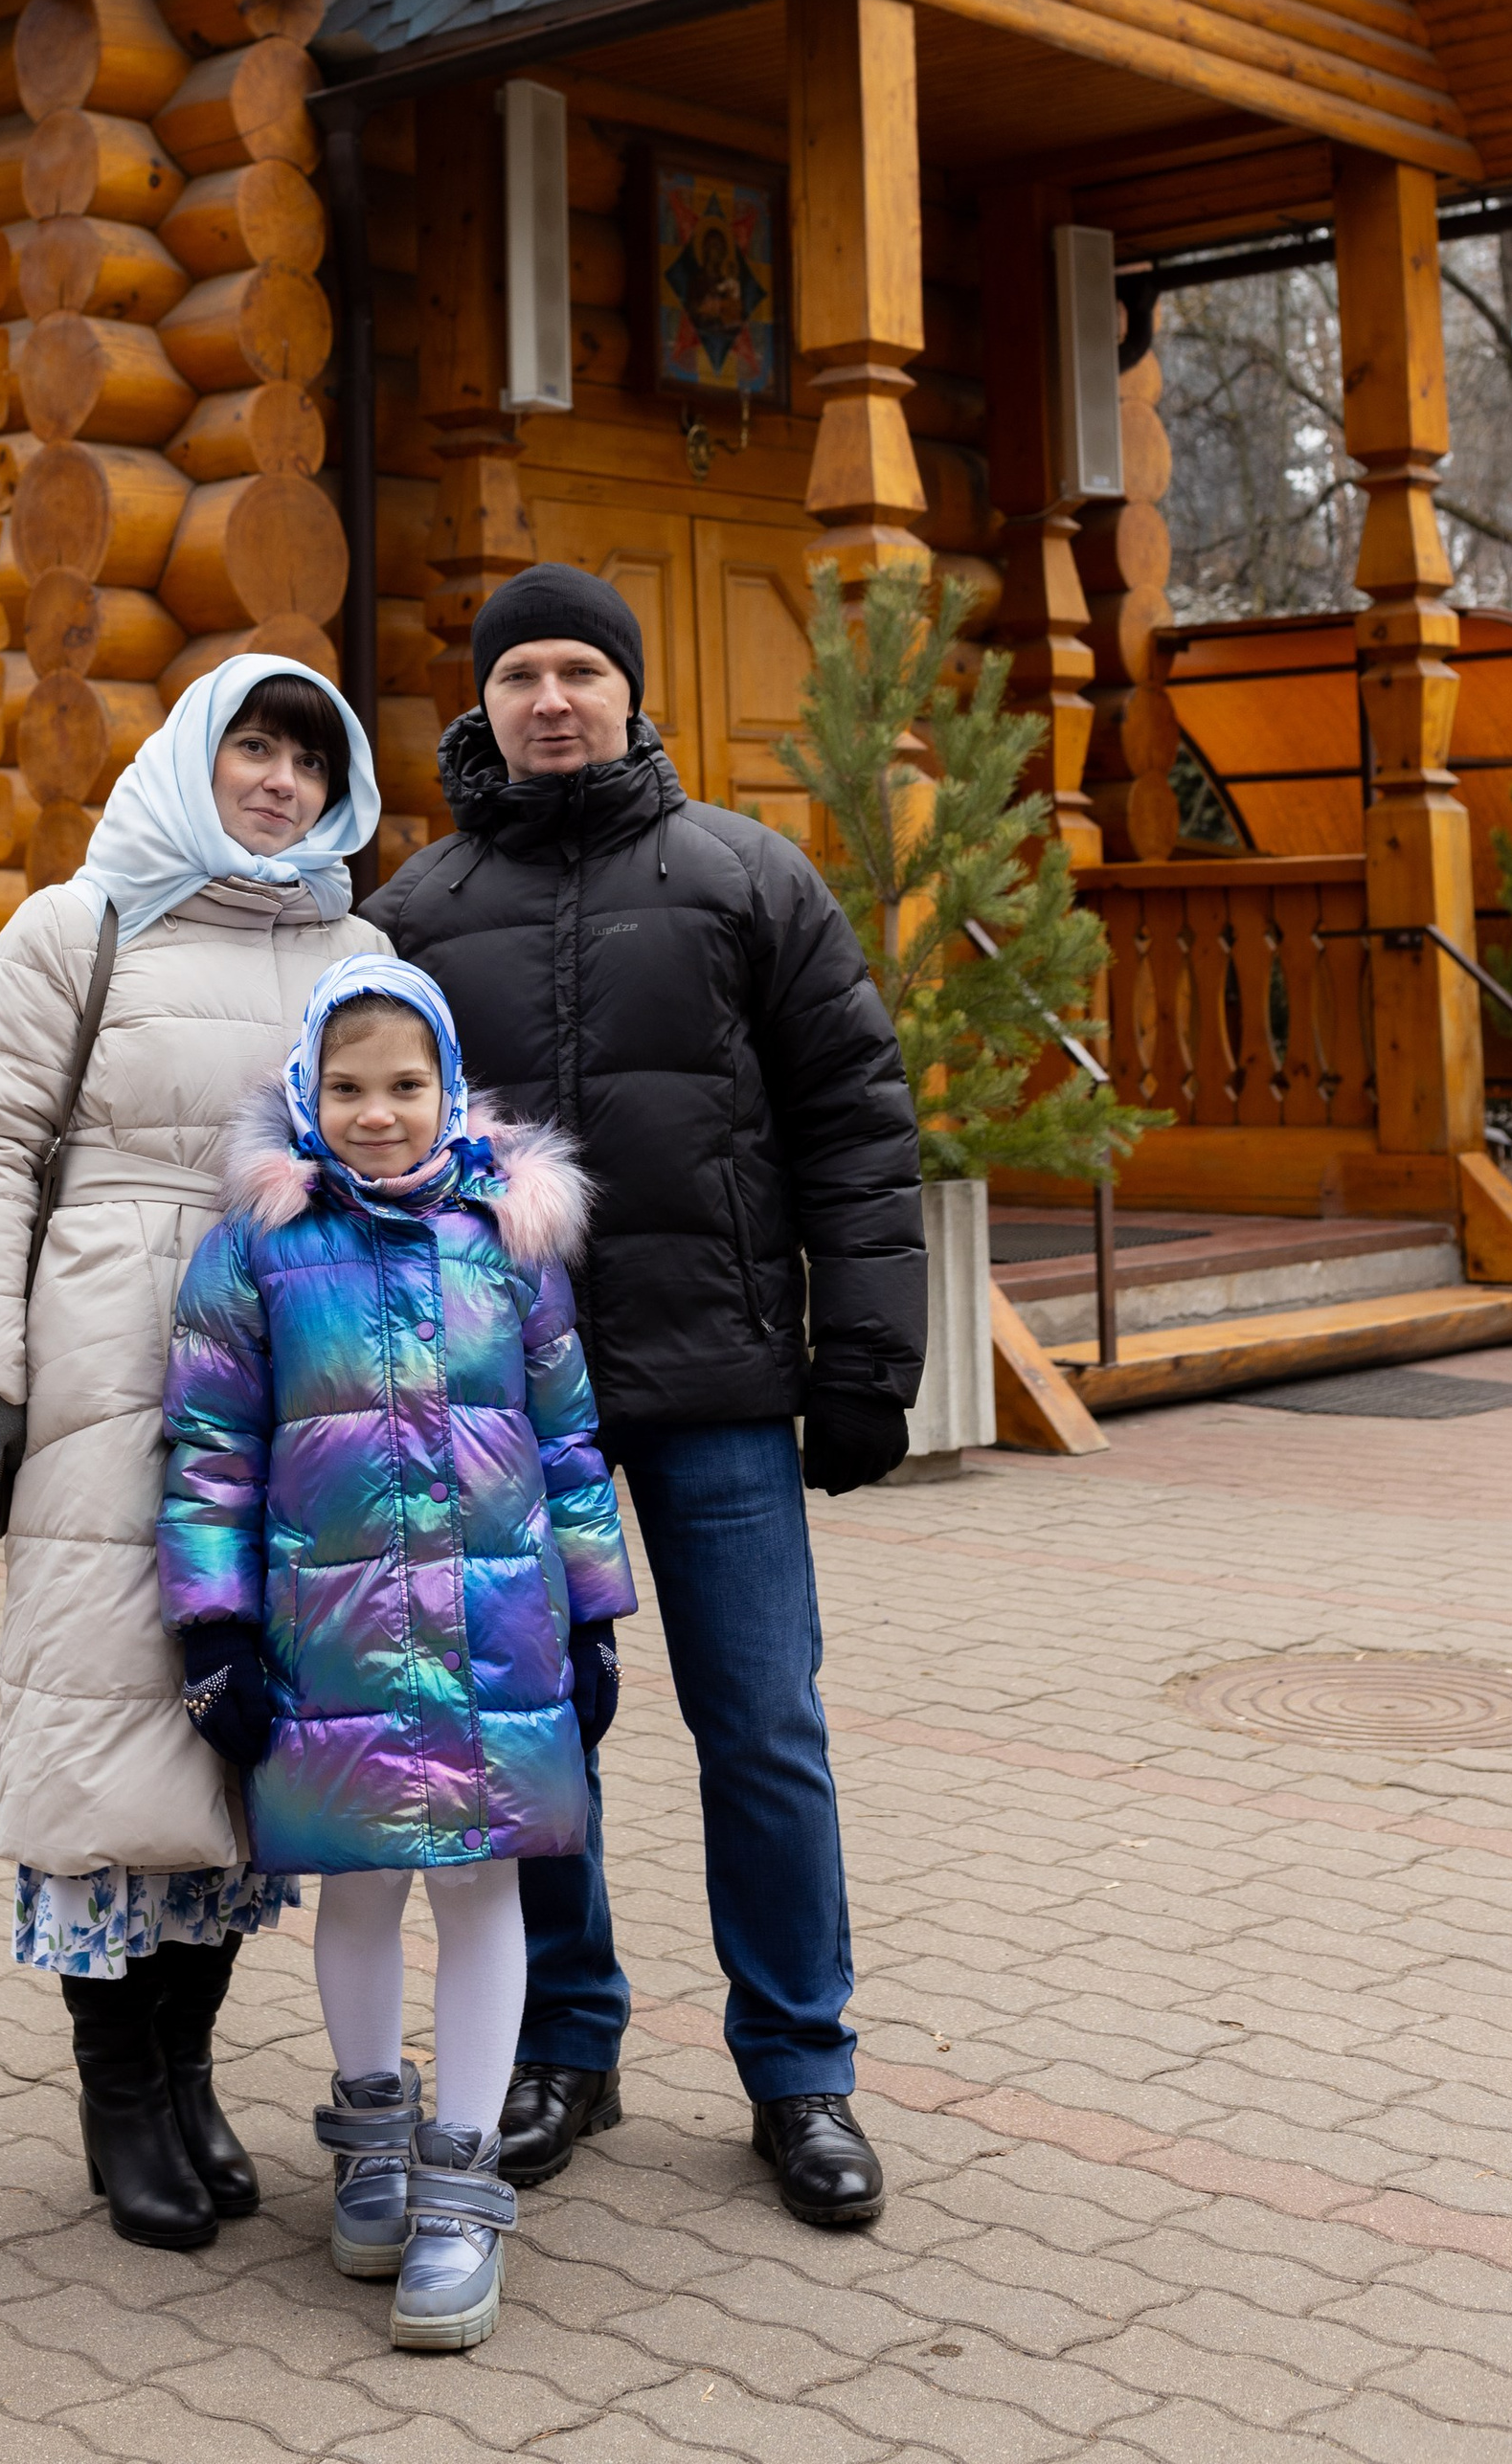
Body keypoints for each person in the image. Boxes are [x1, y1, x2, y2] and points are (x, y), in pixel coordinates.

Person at [365, 563, 925, 2228]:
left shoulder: (745, 876)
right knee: (542, 1740)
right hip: (505, 1415)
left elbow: (855, 1119)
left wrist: (867, 1361)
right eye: (521, 674)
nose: (553, 700)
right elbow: (359, 1151)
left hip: (724, 1393)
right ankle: (564, 2045)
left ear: (629, 692)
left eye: (580, 672)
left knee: (764, 1727)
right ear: (485, 705)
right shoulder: (414, 913)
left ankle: (801, 2073)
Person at [0, 653, 383, 2252]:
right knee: (114, 1722)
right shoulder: (77, 928)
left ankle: (189, 2074)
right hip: (111, 1368)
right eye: (252, 748)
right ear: (196, 758)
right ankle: (122, 2091)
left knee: (245, 1733)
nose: (278, 783)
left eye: (308, 763)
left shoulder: (359, 948)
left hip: (293, 1378)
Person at [158, 956, 635, 2353]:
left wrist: (596, 1612)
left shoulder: (505, 1240)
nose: (379, 1114)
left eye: (406, 1086)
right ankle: (372, 2137)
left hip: (498, 1635)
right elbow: (206, 1453)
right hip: (331, 1638)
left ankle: (464, 2177)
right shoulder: (254, 1249)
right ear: (308, 1092)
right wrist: (215, 1627)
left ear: (448, 1092)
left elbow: (566, 1440)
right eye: (350, 1087)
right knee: (358, 1888)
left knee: (485, 1889)